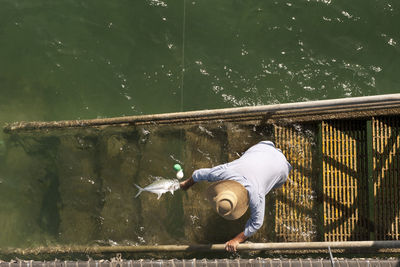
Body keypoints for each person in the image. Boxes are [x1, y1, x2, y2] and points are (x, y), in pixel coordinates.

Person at [180, 140, 292, 252]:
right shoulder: (226, 173)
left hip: (282, 167)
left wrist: (236, 240)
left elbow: (256, 223)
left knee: (275, 184)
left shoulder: (255, 194)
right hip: (263, 147)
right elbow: (200, 173)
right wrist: (186, 183)